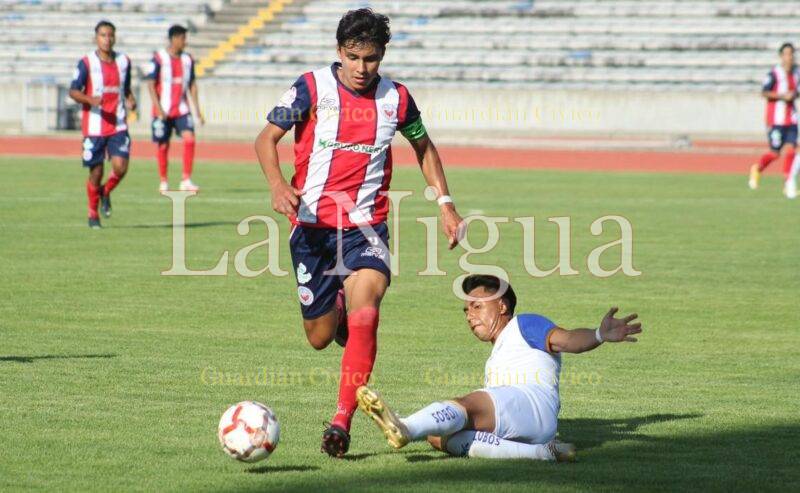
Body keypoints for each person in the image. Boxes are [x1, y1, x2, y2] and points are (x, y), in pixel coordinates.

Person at [254, 8, 463, 457]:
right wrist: (277, 184)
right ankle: (338, 307)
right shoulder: (311, 88)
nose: (362, 68)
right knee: (320, 337)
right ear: (339, 52)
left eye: (371, 59)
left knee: (367, 311)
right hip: (311, 231)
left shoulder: (397, 99)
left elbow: (424, 148)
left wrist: (445, 205)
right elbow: (265, 139)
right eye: (353, 57)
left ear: (382, 55)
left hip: (366, 227)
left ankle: (341, 421)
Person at [357, 274, 643, 462]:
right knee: (438, 436)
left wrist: (598, 335)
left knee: (468, 405)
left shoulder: (524, 324)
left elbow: (568, 340)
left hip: (530, 403)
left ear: (502, 306)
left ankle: (405, 426)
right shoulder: (497, 354)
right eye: (466, 310)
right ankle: (543, 453)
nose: (469, 316)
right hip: (528, 421)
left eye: (477, 306)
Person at [69, 20, 136, 228]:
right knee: (96, 173)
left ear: (115, 37)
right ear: (96, 38)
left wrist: (131, 99)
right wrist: (90, 100)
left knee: (121, 167)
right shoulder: (87, 63)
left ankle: (105, 191)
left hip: (118, 124)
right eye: (103, 35)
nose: (107, 39)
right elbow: (73, 91)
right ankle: (92, 214)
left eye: (110, 35)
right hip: (94, 126)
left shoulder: (124, 61)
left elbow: (125, 88)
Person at [144, 24, 203, 192]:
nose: (185, 42)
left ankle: (186, 179)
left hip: (182, 109)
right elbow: (150, 84)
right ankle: (163, 180)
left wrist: (197, 110)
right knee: (163, 145)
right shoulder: (159, 58)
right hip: (162, 110)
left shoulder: (188, 59)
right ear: (174, 39)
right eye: (183, 38)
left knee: (190, 139)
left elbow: (192, 85)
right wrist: (158, 108)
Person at [749, 42, 799, 197]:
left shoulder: (797, 73)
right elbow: (764, 92)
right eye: (786, 54)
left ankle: (788, 182)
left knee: (792, 150)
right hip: (776, 120)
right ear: (781, 56)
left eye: (791, 54)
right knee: (775, 153)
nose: (789, 57)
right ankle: (757, 168)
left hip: (791, 118)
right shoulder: (774, 74)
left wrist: (794, 95)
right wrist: (782, 96)